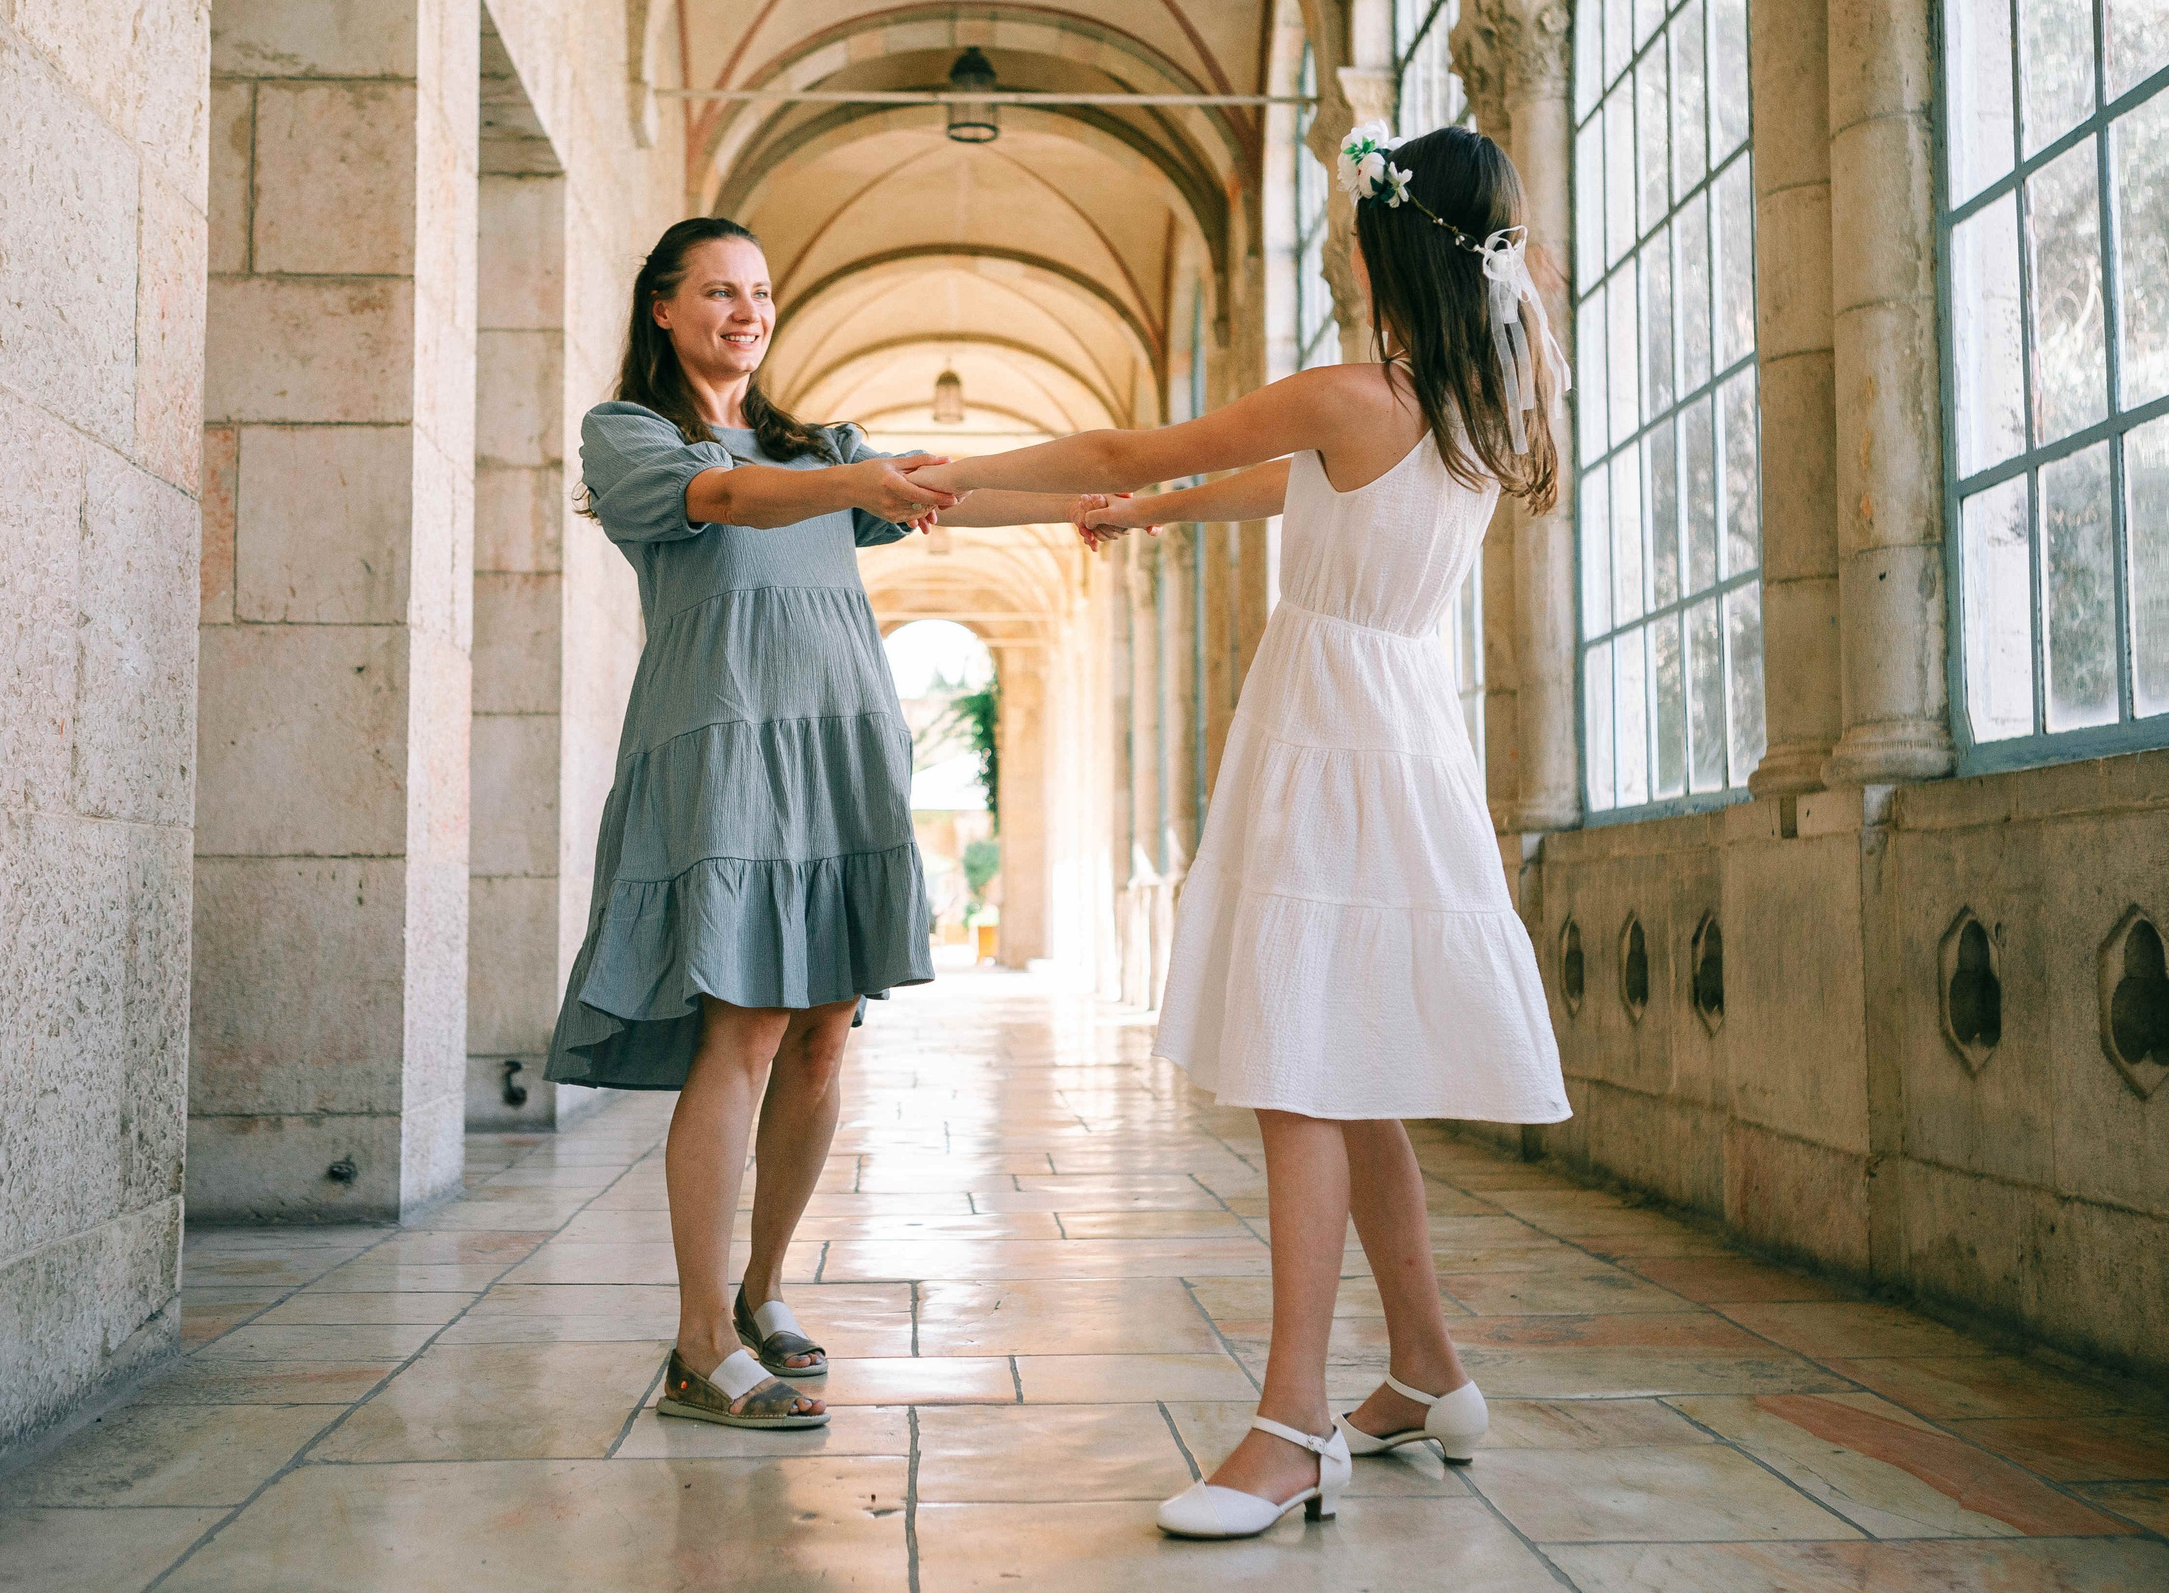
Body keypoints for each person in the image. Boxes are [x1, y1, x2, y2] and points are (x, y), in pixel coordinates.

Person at [926, 127, 1574, 1535]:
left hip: (1331, 733)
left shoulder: (1354, 388)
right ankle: (1427, 1373)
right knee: (1354, 1063)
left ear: (1380, 242)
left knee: (1299, 1061)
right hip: (1396, 721)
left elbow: (1125, 435)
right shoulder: (1484, 396)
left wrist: (958, 476)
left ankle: (1290, 1423)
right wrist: (1150, 512)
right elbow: (1289, 481)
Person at [547, 216, 1081, 1430]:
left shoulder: (816, 445)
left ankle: (761, 1293)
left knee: (824, 1036)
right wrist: (851, 484)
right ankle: (693, 1343)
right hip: (730, 744)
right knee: (740, 1031)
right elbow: (728, 497)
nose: (746, 311)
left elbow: (942, 491)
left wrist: (1075, 497)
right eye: (720, 292)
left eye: (762, 292)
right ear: (663, 312)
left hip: (841, 742)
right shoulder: (632, 436)